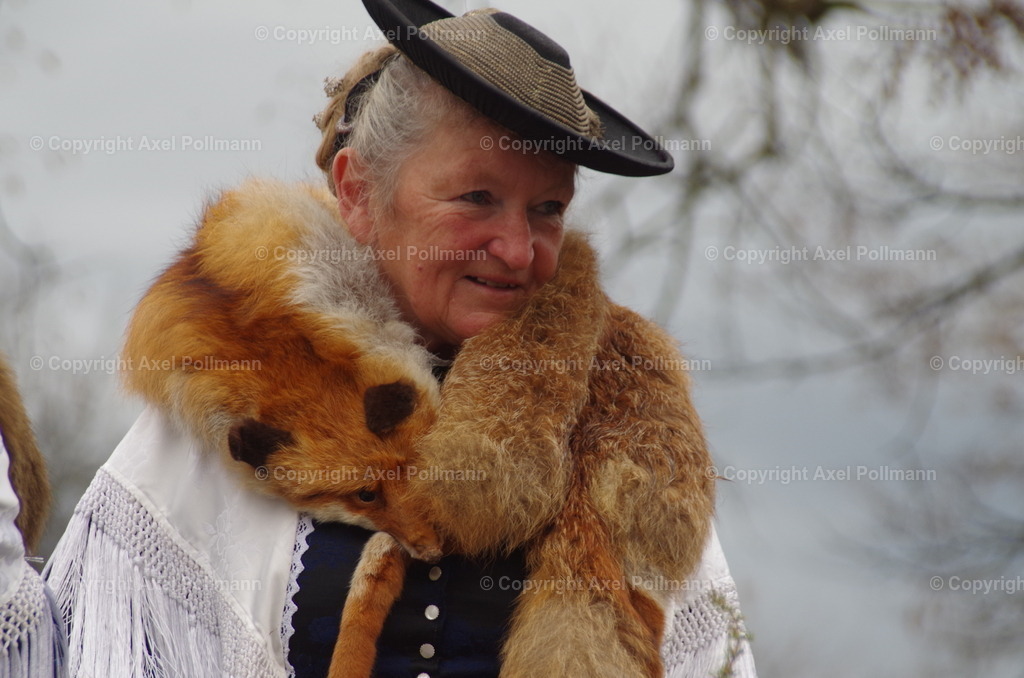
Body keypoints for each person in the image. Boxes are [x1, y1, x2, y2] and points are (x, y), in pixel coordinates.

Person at [45, 1, 757, 677]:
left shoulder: (630, 429)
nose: (517, 249)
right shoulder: (241, 396)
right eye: (476, 198)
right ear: (358, 193)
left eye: (547, 209)